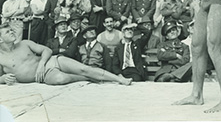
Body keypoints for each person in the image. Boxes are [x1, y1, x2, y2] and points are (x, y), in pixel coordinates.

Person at [0, 22, 131, 85]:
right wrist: (3, 79)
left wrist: (41, 64)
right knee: (61, 79)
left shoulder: (24, 43)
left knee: (83, 68)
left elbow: (47, 50)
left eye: (12, 30)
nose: (12, 32)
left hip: (51, 61)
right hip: (44, 77)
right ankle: (89, 78)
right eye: (8, 32)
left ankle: (119, 79)